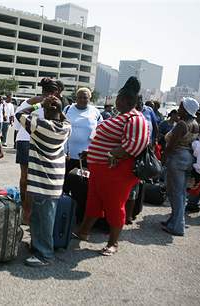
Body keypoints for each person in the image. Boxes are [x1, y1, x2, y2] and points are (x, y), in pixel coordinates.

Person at [74, 77, 149, 256]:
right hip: (102, 171)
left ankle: (113, 243)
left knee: (114, 206)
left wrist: (111, 154)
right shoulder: (122, 116)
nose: (117, 101)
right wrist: (91, 152)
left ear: (127, 100)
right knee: (94, 201)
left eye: (119, 98)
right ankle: (83, 231)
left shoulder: (135, 118)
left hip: (117, 173)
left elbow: (135, 145)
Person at [16, 86, 71, 267]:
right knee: (41, 217)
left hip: (42, 181)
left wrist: (39, 102)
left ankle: (45, 255)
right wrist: (56, 107)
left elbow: (19, 113)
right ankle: (38, 246)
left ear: (45, 111)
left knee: (43, 220)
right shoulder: (65, 128)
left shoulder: (41, 126)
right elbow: (64, 118)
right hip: (54, 181)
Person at [14, 78, 61, 225]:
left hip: (23, 139)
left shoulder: (28, 102)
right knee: (36, 179)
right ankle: (31, 213)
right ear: (55, 92)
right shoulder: (54, 104)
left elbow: (17, 124)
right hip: (40, 142)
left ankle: (25, 213)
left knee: (25, 178)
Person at [162, 97, 200, 236]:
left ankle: (177, 227)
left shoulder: (182, 124)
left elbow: (171, 145)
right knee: (181, 193)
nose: (178, 108)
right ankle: (173, 221)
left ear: (186, 109)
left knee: (175, 193)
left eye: (181, 106)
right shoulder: (196, 124)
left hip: (177, 158)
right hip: (187, 158)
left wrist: (163, 159)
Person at [62, 87, 101, 213]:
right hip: (67, 155)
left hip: (85, 157)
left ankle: (78, 213)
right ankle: (64, 212)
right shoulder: (68, 109)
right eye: (80, 97)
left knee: (81, 186)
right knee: (64, 185)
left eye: (85, 97)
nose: (82, 100)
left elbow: (100, 130)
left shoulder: (95, 112)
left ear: (89, 99)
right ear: (76, 98)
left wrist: (92, 147)